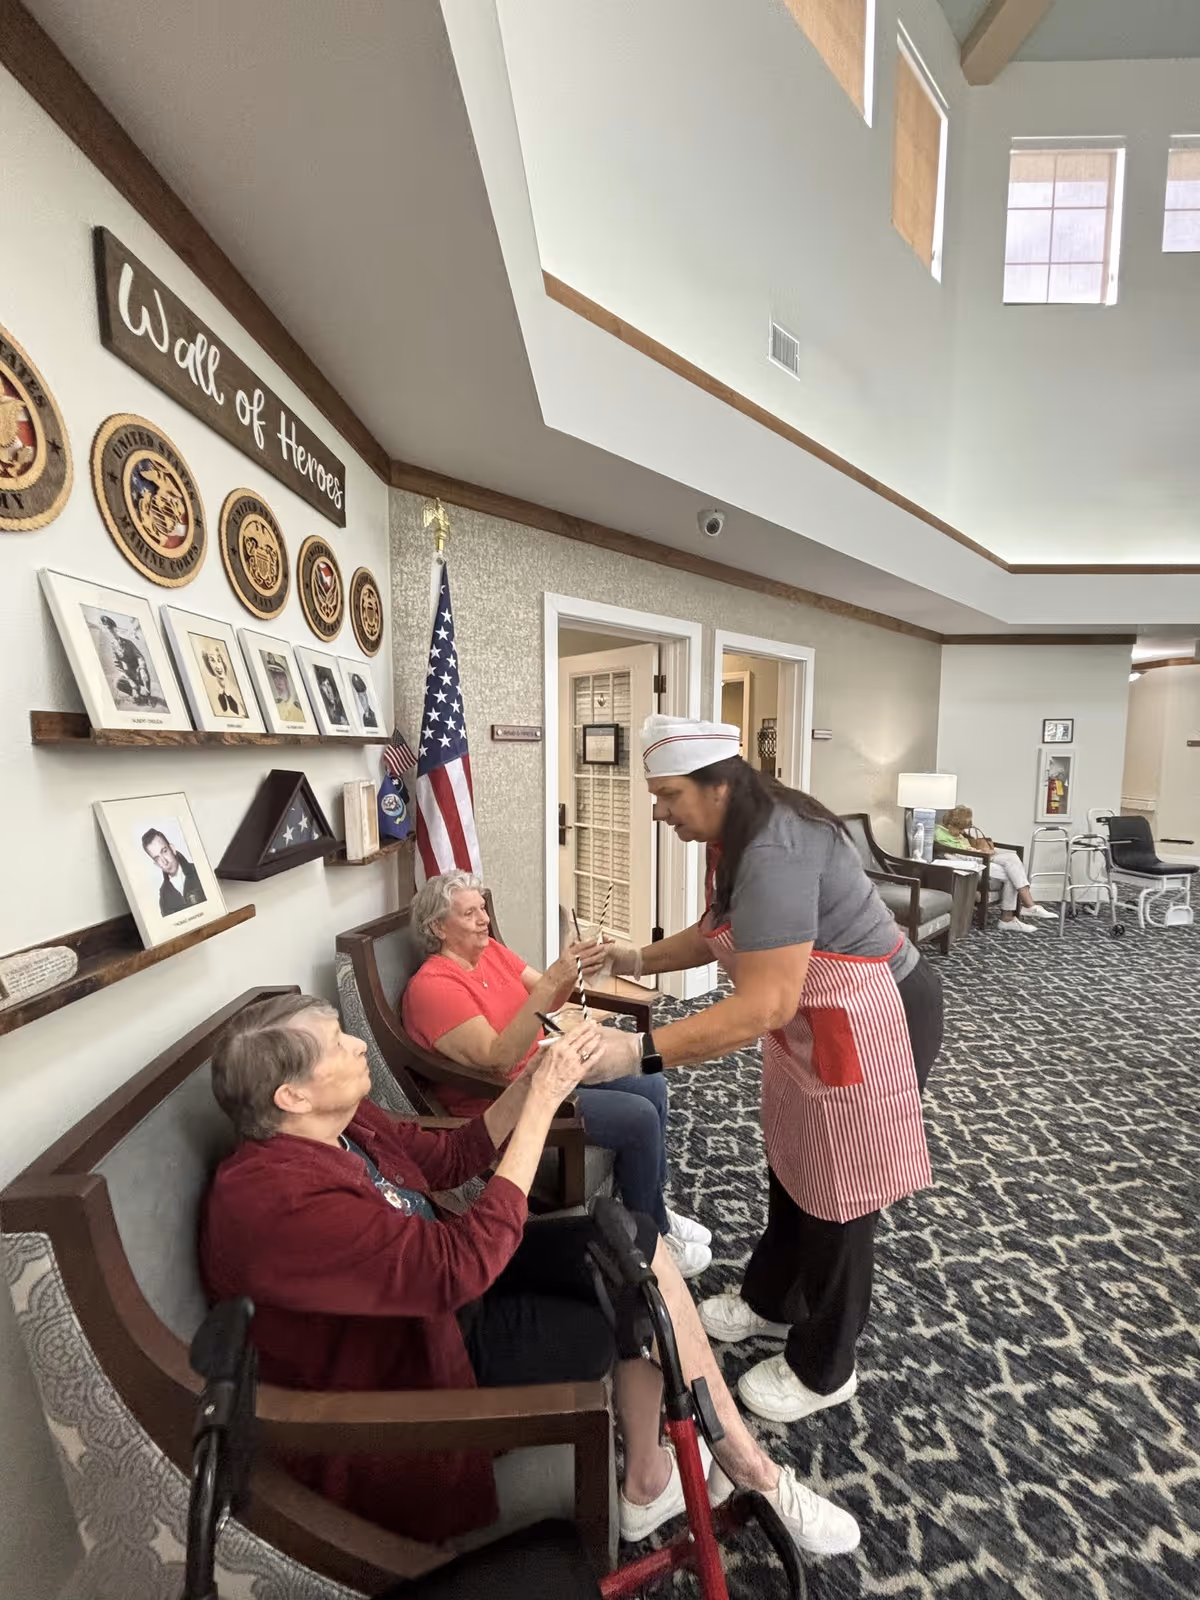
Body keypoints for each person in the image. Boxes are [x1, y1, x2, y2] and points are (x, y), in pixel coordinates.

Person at [200, 992, 860, 1558]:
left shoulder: (344, 1123)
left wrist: (538, 1078)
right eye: (337, 1042)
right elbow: (456, 1270)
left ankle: (715, 1467)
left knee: (631, 1242)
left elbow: (453, 1154)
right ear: (290, 1095)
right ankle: (680, 1475)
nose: (354, 1043)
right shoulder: (272, 1203)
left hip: (440, 1283)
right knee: (612, 1314)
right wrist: (542, 1107)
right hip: (416, 1358)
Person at [579, 715, 943, 1429]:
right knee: (795, 1159)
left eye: (668, 794)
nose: (658, 811)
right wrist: (635, 958)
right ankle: (774, 1301)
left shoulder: (777, 844)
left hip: (873, 1015)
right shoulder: (735, 834)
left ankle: (825, 1365)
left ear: (719, 786)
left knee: (841, 1191)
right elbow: (724, 932)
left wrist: (635, 1052)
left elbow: (762, 1005)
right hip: (818, 1011)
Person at [402, 870, 713, 1277]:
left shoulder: (492, 952)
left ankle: (650, 1204)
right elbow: (497, 1058)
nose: (484, 919)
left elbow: (550, 996)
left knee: (649, 1080)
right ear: (437, 927)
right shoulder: (432, 988)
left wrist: (574, 967)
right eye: (469, 913)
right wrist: (552, 978)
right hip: (506, 1101)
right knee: (637, 1118)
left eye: (482, 907)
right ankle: (650, 1239)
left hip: (546, 1066)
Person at [935, 805, 1054, 933]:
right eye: (960, 829)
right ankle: (1018, 912)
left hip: (977, 857)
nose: (962, 832)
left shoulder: (956, 832)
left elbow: (965, 845)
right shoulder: (940, 833)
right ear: (952, 824)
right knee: (1012, 869)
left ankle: (1020, 911)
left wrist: (981, 850)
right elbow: (955, 853)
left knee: (1012, 863)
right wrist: (980, 852)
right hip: (970, 862)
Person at [141, 827, 206, 914]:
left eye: (164, 851)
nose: (165, 861)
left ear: (172, 849)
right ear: (156, 864)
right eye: (157, 858)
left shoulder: (199, 871)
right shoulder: (164, 896)